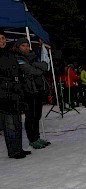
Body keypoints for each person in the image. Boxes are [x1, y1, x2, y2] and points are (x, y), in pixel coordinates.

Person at [14, 37, 51, 149]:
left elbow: (45, 67)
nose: (26, 48)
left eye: (27, 45)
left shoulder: (32, 57)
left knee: (37, 115)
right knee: (31, 116)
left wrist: (36, 66)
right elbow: (32, 70)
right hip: (27, 91)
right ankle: (32, 139)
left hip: (37, 89)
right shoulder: (18, 57)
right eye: (23, 45)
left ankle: (37, 137)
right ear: (18, 47)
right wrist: (37, 67)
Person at [0, 30, 31, 159]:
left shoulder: (10, 53)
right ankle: (13, 151)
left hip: (15, 91)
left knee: (17, 121)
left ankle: (18, 148)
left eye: (3, 38)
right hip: (3, 92)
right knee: (9, 124)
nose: (2, 41)